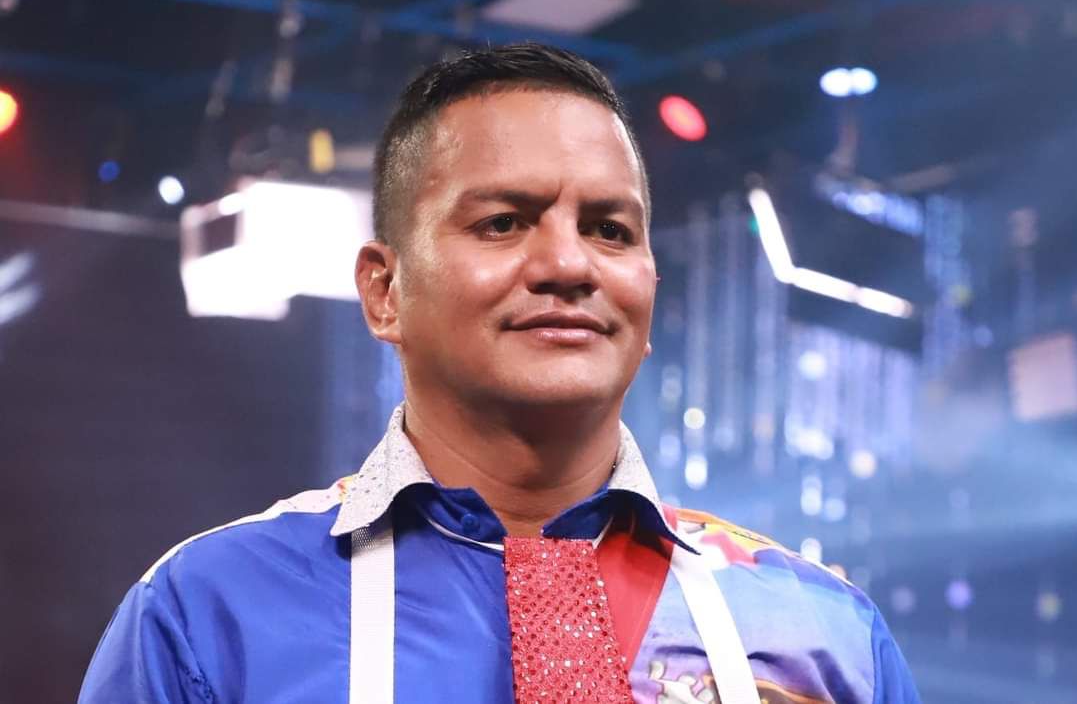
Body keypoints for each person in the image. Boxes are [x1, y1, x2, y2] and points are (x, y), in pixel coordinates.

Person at [79, 43, 921, 703]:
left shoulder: (823, 633)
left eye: (610, 229)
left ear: (649, 290)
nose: (568, 264)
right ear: (384, 290)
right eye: (504, 221)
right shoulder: (209, 613)